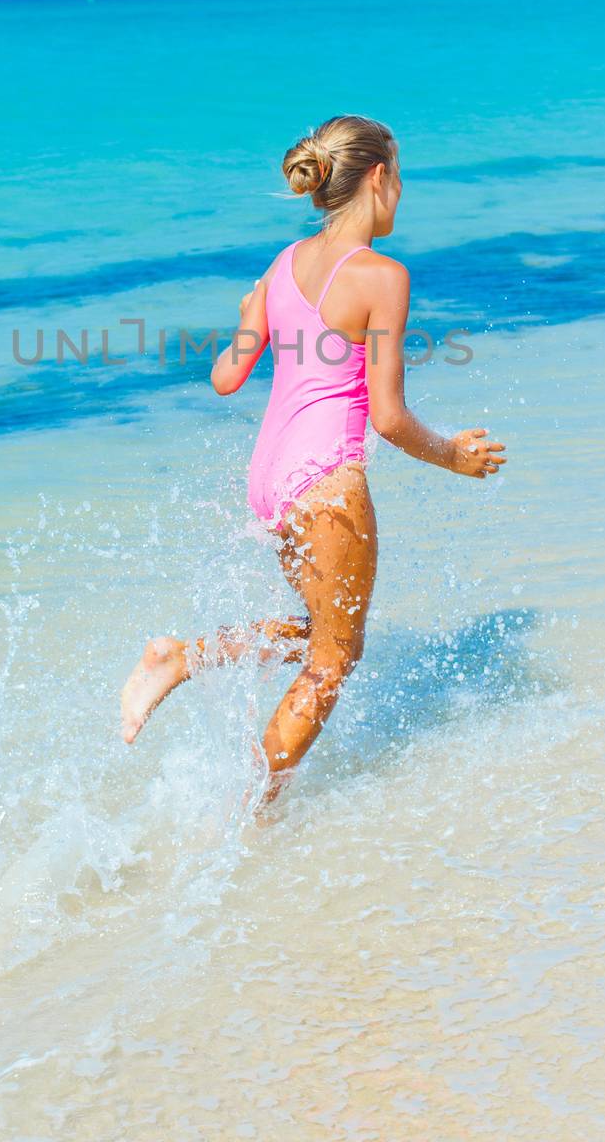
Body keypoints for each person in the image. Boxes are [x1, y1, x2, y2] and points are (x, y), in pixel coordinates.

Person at [120, 114, 507, 802]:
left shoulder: (281, 265)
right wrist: (452, 456)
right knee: (333, 660)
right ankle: (251, 809)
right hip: (326, 483)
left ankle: (180, 659)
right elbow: (387, 418)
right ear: (380, 177)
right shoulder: (383, 276)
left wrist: (249, 316)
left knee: (322, 639)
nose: (401, 193)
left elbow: (224, 378)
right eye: (401, 176)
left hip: (270, 481)